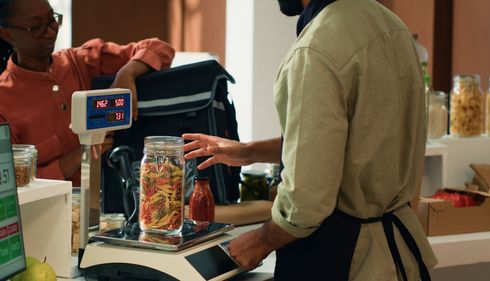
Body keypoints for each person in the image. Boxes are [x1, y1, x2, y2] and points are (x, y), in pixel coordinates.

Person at [183, 0, 437, 280]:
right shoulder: (390, 24)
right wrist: (249, 152)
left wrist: (259, 242)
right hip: (399, 257)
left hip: (346, 261)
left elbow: (305, 204)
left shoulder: (315, 49)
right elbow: (355, 142)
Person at [0, 0, 175, 186]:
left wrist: (127, 73)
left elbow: (160, 48)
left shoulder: (80, 62)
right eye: (36, 27)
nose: (50, 32)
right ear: (6, 33)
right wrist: (78, 157)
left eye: (52, 20)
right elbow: (13, 184)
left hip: (115, 199)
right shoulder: (4, 100)